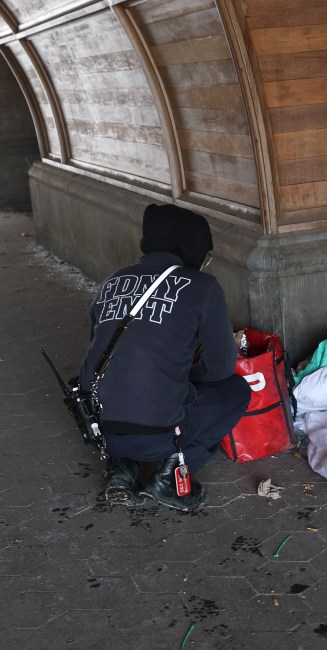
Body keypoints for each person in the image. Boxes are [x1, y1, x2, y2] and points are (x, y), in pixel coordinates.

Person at [79, 204, 250, 512]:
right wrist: (182, 375)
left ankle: (121, 469)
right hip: (160, 437)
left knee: (126, 389)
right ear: (192, 248)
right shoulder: (202, 286)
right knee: (236, 391)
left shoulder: (113, 281)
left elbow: (98, 356)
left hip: (101, 432)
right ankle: (170, 477)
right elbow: (221, 366)